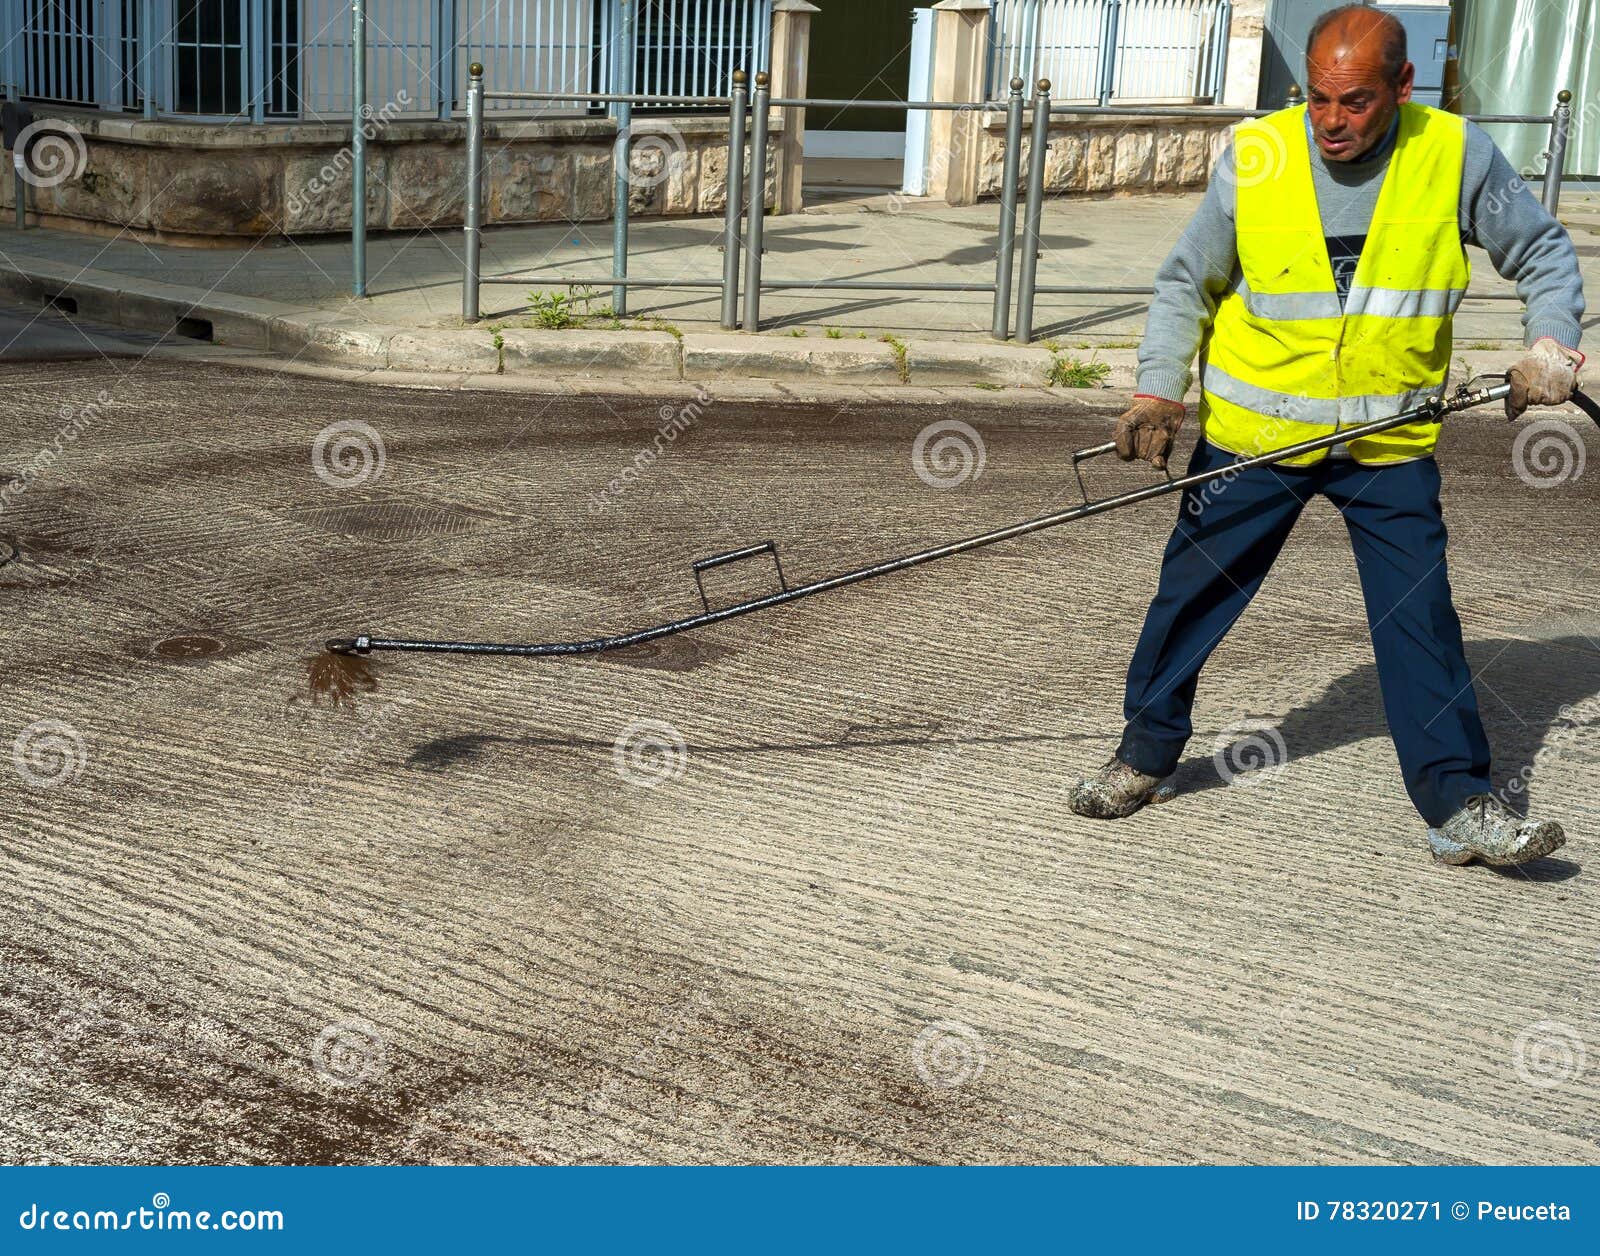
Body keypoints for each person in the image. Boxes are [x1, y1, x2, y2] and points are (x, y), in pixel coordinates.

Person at [1067, 4, 1586, 866]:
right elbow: (1186, 282)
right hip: (1255, 442)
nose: (1332, 122)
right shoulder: (1258, 155)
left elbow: (1541, 253)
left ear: (1401, 87)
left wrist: (1550, 343)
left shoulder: (1454, 153)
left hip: (1387, 444)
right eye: (1317, 99)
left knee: (1419, 616)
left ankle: (1460, 806)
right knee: (1190, 598)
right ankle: (1144, 756)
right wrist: (1158, 391)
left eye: (1354, 102)